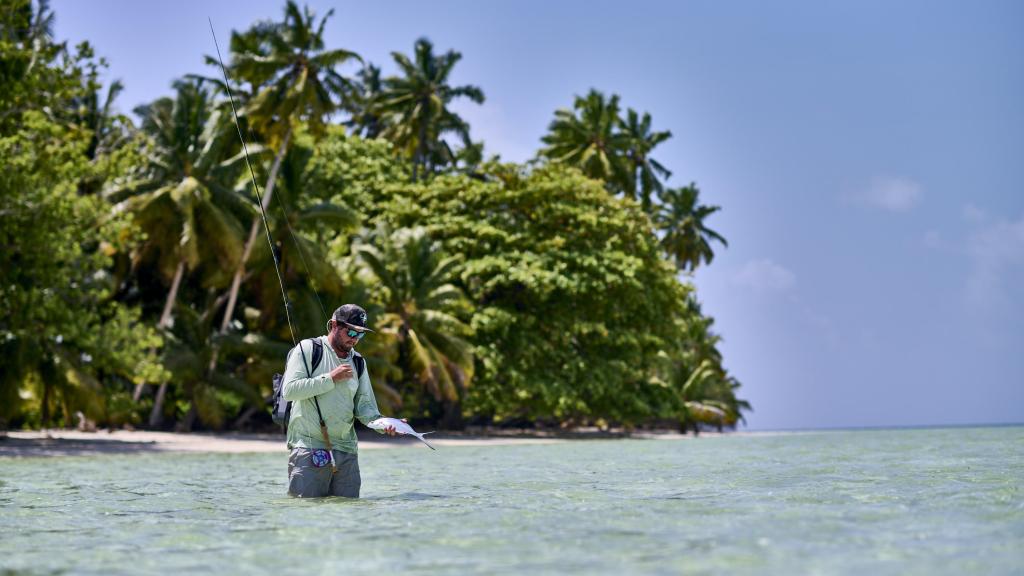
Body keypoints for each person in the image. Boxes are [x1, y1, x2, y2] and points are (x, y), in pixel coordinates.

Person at [281, 303, 400, 498]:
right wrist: (330, 378)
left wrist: (385, 425)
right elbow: (290, 391)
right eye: (351, 333)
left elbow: (365, 409)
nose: (355, 340)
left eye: (360, 335)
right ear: (334, 325)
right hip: (309, 447)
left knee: (349, 515)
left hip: (346, 451)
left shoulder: (359, 361)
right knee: (306, 513)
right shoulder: (308, 349)